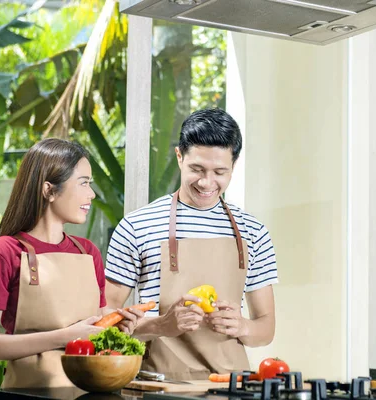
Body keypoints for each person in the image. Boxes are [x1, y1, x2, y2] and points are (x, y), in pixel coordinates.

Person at [105, 108, 279, 380]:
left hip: (229, 387)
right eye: (197, 169)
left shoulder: (253, 232)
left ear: (234, 166)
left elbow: (266, 328)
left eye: (220, 171)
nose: (207, 182)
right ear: (179, 157)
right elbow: (104, 322)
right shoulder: (137, 227)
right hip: (156, 387)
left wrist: (242, 326)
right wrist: (162, 325)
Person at [0, 138, 143, 389]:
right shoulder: (4, 252)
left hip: (88, 390)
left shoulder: (88, 252)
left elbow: (96, 318)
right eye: (83, 183)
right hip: (29, 392)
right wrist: (66, 337)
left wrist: (117, 321)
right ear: (49, 190)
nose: (91, 194)